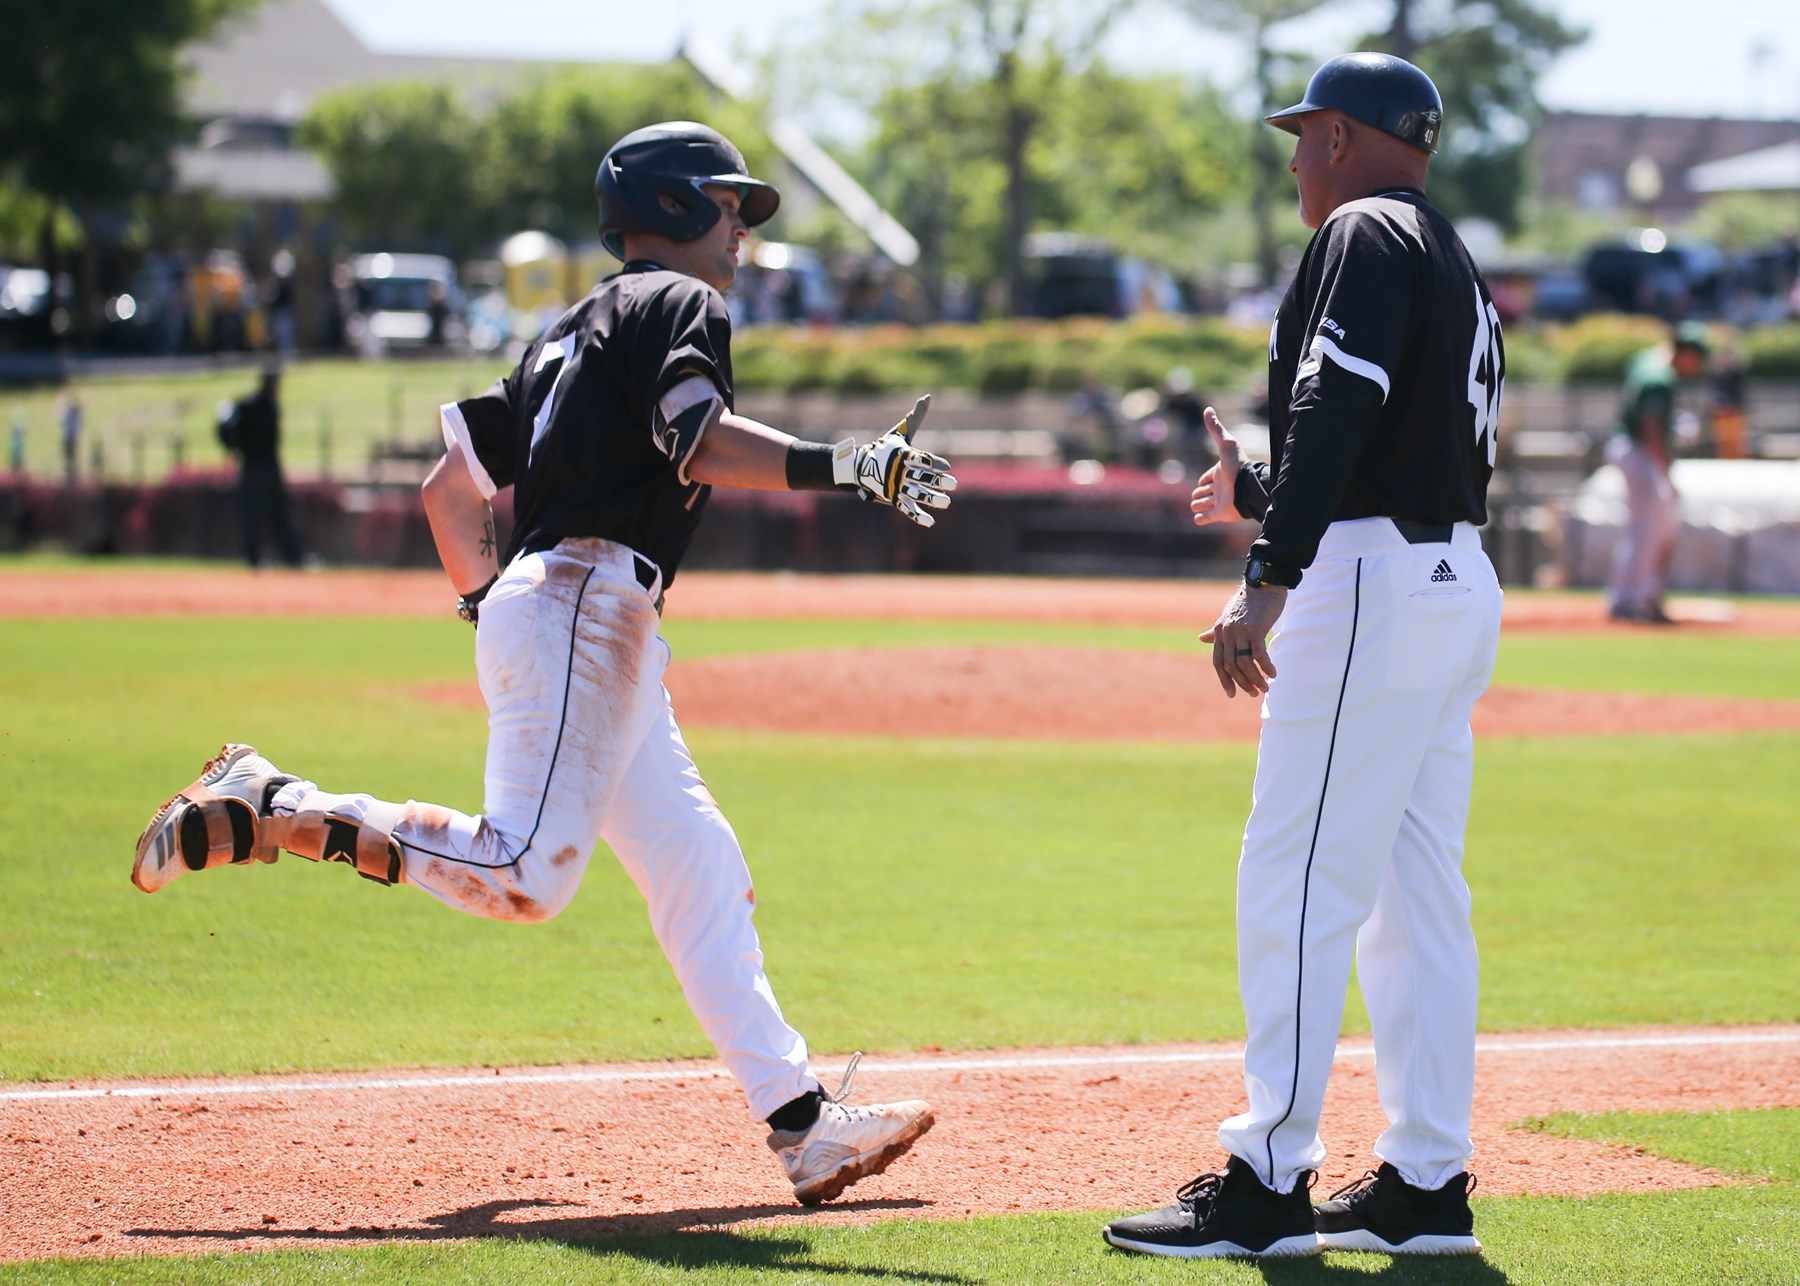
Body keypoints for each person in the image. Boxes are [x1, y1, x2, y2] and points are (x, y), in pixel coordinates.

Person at [132, 122, 954, 1206]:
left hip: (574, 611)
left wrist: (495, 608)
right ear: (670, 209)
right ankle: (275, 800)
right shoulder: (677, 303)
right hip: (588, 603)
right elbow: (695, 437)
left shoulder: (565, 334)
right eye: (728, 207)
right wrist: (848, 463)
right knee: (523, 872)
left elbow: (447, 491)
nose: (742, 233)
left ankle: (802, 1123)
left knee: (696, 861)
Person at [1102, 53, 1504, 1260]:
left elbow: (1340, 399)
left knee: (1298, 875)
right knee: (1414, 893)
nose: (1293, 156)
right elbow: (1403, 447)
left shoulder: (1365, 230)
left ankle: (1268, 1176)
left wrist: (1266, 576)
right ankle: (1427, 1185)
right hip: (1450, 580)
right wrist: (1271, 495)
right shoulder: (1446, 248)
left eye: (1303, 132)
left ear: (1342, 133)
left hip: (1374, 589)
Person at [1607, 322, 1707, 623]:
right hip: (1640, 451)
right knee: (1651, 530)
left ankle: (1626, 598)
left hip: (1629, 447)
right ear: (1687, 353)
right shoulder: (1660, 377)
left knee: (1642, 528)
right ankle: (1640, 599)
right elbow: (1650, 425)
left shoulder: (1648, 360)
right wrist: (1664, 465)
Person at [217, 366, 305, 569]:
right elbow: (224, 426)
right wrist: (232, 447)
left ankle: (293, 558)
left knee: (281, 513)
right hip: (252, 466)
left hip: (271, 465)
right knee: (252, 515)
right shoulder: (247, 405)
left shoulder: (272, 406)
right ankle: (254, 559)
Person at [57, 394, 82, 483]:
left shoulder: (74, 415)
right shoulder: (70, 415)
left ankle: (72, 473)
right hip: (69, 437)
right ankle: (70, 473)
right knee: (69, 456)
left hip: (72, 438)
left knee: (72, 456)